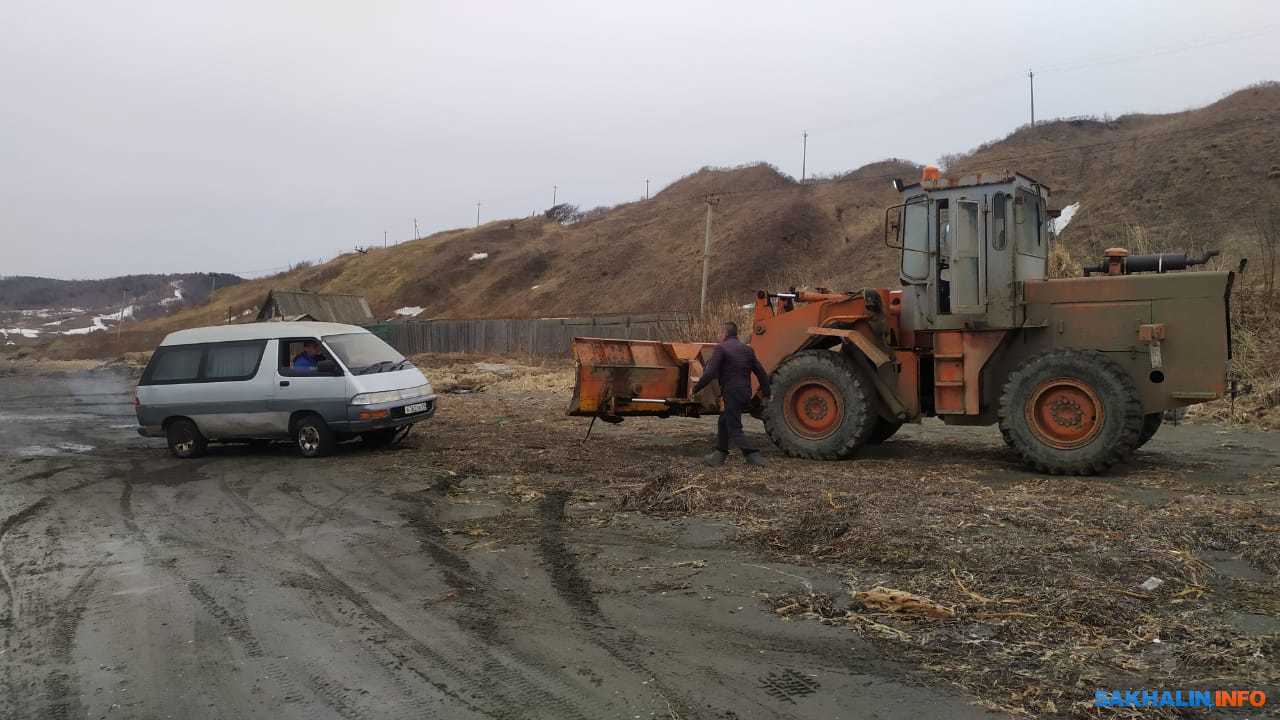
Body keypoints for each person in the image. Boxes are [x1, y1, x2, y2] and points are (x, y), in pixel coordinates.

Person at [692, 321, 772, 467]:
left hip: (732, 392)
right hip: (745, 393)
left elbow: (710, 372)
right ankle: (719, 455)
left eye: (719, 332)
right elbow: (761, 373)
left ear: (724, 333)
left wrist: (696, 388)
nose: (718, 335)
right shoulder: (747, 350)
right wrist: (767, 393)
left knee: (734, 427)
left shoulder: (721, 348)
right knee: (723, 421)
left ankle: (753, 456)